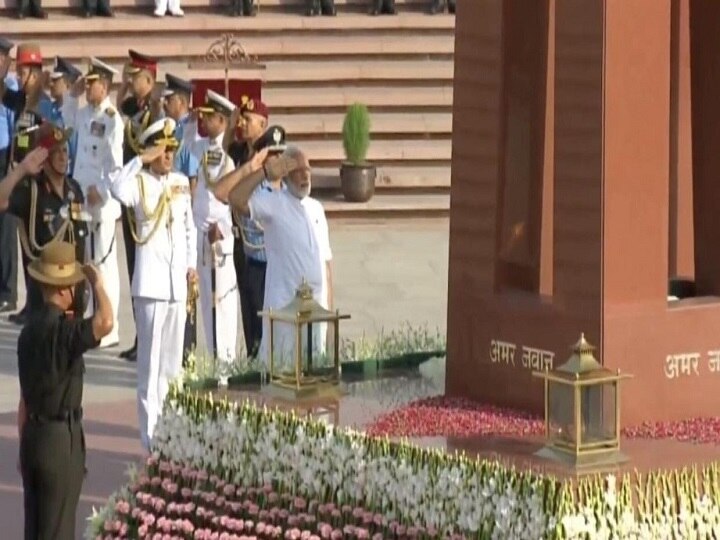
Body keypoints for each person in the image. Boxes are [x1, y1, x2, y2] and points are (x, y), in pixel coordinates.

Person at [108, 118, 197, 451]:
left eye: (171, 149)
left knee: (172, 365)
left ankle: (171, 430)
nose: (169, 156)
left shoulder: (180, 183)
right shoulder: (139, 182)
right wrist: (140, 159)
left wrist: (191, 265)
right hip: (150, 284)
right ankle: (150, 437)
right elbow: (116, 187)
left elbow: (189, 228)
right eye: (163, 150)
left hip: (176, 284)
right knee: (150, 366)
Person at [17, 241, 113, 539]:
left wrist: (24, 447)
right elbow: (106, 322)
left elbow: (23, 402)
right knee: (58, 531)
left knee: (35, 530)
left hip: (34, 438)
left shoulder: (26, 333)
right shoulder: (65, 333)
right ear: (62, 289)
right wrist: (98, 283)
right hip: (60, 442)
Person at [228, 146, 334, 370]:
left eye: (308, 170)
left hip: (315, 313)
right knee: (283, 381)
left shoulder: (316, 209)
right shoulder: (274, 203)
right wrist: (264, 173)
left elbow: (326, 264)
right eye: (298, 170)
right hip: (284, 312)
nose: (305, 175)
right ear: (285, 175)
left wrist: (329, 316)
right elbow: (235, 198)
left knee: (314, 380)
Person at [62, 58, 123, 348]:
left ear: (105, 86)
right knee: (87, 260)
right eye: (86, 84)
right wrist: (71, 96)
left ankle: (110, 326)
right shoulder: (84, 113)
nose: (88, 89)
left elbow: (116, 165)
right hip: (82, 196)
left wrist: (101, 188)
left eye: (92, 84)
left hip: (102, 201)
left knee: (104, 262)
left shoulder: (112, 119)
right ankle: (91, 315)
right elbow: (67, 124)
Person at [0, 125, 91, 317]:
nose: (62, 157)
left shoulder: (74, 190)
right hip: (44, 297)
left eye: (65, 150)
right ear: (43, 157)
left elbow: (82, 242)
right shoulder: (32, 191)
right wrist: (23, 169)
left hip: (73, 294)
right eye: (55, 152)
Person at [216, 109, 284, 359]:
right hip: (254, 259)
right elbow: (223, 193)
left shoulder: (290, 190)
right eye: (272, 155)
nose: (276, 160)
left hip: (280, 267)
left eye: (280, 155)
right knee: (254, 325)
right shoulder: (253, 184)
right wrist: (249, 170)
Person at [1, 43, 56, 325]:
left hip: (37, 181)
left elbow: (50, 142)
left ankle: (40, 303)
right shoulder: (21, 101)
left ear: (36, 73)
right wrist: (4, 65)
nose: (21, 78)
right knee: (24, 243)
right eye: (19, 71)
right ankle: (30, 303)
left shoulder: (43, 104)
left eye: (25, 72)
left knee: (37, 245)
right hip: (21, 177)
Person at [117, 49, 163, 362]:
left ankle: (148, 336)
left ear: (150, 80)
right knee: (135, 268)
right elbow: (122, 103)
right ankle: (139, 335)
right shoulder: (136, 106)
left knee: (146, 268)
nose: (131, 84)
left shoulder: (156, 112)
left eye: (136, 79)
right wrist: (123, 79)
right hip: (131, 192)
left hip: (146, 194)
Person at [192, 90, 239, 366]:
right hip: (202, 235)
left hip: (218, 237)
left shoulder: (225, 153)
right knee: (208, 301)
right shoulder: (204, 148)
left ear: (221, 121)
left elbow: (221, 198)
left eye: (210, 118)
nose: (204, 122)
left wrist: (217, 227)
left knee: (221, 301)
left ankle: (225, 363)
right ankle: (214, 358)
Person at [162, 74, 200, 362]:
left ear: (182, 102)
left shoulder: (191, 135)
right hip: (165, 219)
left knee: (187, 291)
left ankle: (187, 351)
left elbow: (193, 182)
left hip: (185, 216)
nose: (165, 104)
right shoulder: (169, 130)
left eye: (170, 100)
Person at [0, 37, 19, 314]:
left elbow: (17, 125)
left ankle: (8, 291)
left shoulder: (12, 87)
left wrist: (15, 161)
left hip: (4, 155)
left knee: (6, 225)